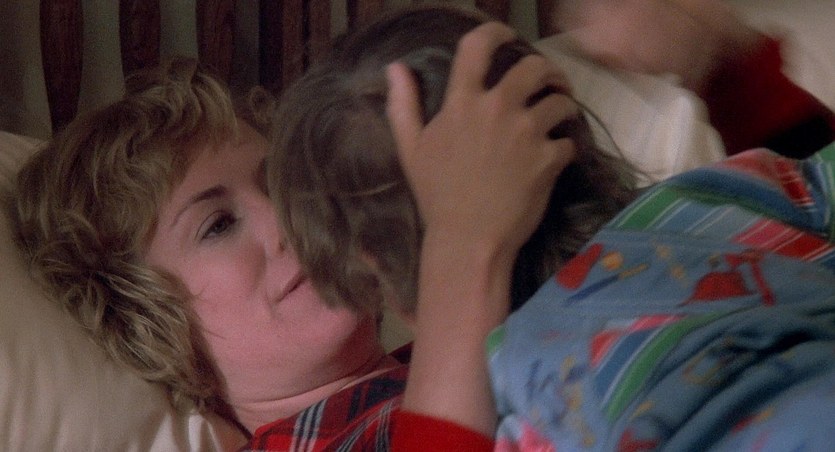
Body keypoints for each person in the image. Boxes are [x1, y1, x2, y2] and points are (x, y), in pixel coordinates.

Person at [268, 1, 835, 450]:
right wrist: (729, 68)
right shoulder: (712, 199)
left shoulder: (519, 408)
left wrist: (458, 249)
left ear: (375, 273)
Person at [8, 14, 573, 452]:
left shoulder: (463, 341)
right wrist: (464, 251)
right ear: (143, 318)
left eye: (281, 181)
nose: (286, 217)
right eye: (218, 225)